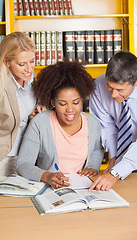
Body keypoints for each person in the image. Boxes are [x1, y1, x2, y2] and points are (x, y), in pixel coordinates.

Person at [16, 60, 103, 189]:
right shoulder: (39, 123)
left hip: (84, 189)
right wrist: (47, 176)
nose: (70, 110)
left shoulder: (93, 124)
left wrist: (93, 167)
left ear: (82, 100)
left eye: (76, 102)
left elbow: (97, 149)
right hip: (49, 190)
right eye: (62, 104)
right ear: (52, 102)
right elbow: (23, 164)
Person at [0, 32, 45, 180]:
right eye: (21, 64)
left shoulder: (30, 78)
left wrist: (38, 104)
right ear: (6, 62)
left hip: (23, 158)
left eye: (32, 61)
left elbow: (22, 104)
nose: (29, 69)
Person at [89, 51, 137, 191]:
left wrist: (115, 173)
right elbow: (107, 126)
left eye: (120, 90)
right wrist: (114, 158)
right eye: (110, 87)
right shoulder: (98, 86)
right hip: (123, 148)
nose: (114, 95)